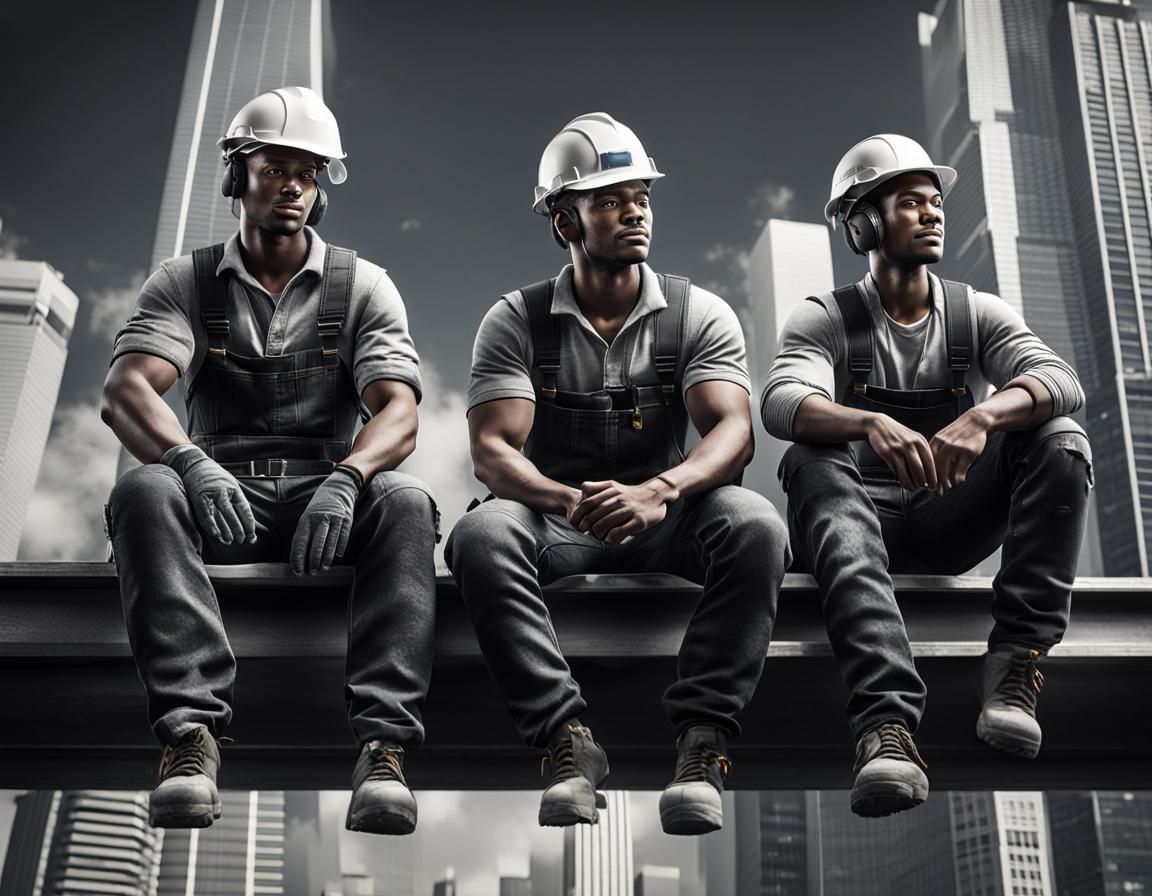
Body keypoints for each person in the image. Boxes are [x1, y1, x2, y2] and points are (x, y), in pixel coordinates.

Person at [101, 86, 438, 836]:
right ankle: (192, 737)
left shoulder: (364, 287)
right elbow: (128, 390)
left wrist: (350, 478)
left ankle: (384, 746)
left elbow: (400, 410)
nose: (292, 184)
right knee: (144, 493)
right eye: (275, 167)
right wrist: (190, 463)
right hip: (222, 502)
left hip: (331, 506)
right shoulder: (184, 283)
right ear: (235, 176)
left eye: (309, 173)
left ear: (321, 191)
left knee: (408, 502)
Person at [446, 113, 790, 836]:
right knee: (480, 536)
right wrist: (572, 501)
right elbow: (493, 452)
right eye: (610, 199)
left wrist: (659, 491)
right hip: (556, 517)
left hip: (670, 517)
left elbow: (733, 429)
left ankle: (702, 740)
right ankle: (566, 743)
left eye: (641, 196)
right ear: (564, 222)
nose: (634, 210)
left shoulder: (697, 313)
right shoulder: (517, 321)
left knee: (756, 525)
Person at [762, 134, 1092, 817]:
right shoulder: (825, 320)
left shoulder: (977, 315)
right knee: (810, 460)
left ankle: (1015, 666)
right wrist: (867, 424)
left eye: (935, 201)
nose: (933, 213)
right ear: (863, 223)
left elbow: (1060, 380)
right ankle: (886, 727)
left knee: (1060, 438)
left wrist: (982, 419)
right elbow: (781, 402)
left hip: (949, 520)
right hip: (854, 529)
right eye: (910, 202)